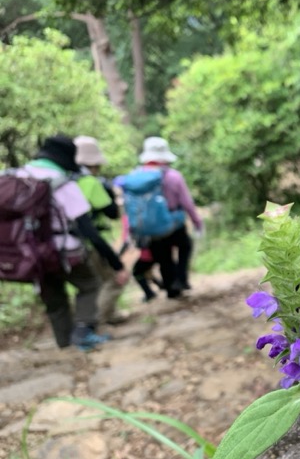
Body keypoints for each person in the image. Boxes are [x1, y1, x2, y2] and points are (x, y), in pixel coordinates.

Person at [22, 135, 128, 350]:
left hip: (28, 253)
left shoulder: (18, 176)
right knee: (90, 285)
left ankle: (64, 344)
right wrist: (117, 263)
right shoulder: (63, 182)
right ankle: (82, 334)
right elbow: (89, 231)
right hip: (64, 252)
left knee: (54, 298)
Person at [135, 137, 203, 299]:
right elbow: (187, 202)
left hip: (151, 227)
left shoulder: (137, 177)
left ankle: (172, 290)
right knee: (184, 246)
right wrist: (197, 222)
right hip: (174, 223)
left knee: (163, 258)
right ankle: (181, 278)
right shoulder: (174, 176)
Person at [74, 136, 127, 325]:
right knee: (114, 280)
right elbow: (112, 212)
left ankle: (110, 316)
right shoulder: (92, 182)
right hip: (94, 241)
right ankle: (96, 322)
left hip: (71, 244)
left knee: (95, 282)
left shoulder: (66, 181)